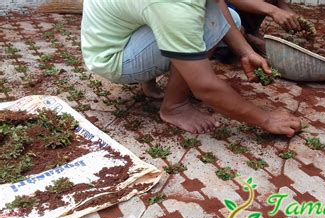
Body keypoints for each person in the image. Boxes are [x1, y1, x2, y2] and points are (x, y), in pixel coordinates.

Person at [81, 0, 301, 136]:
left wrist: (246, 51)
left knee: (226, 16)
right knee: (203, 24)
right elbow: (204, 86)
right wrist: (266, 119)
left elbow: (217, 3)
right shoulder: (176, 5)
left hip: (120, 37)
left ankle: (148, 81)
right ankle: (174, 107)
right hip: (114, 60)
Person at [226, 0, 300, 54]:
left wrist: (296, 19)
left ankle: (251, 32)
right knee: (234, 21)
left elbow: (277, 2)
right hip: (225, 16)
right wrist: (274, 11)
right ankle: (245, 37)